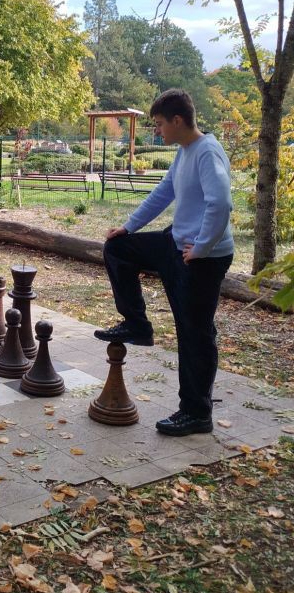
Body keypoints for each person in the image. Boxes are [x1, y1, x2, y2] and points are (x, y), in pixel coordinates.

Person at [94, 89, 234, 437]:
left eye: (158, 124)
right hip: (177, 245)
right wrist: (128, 227)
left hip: (202, 258)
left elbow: (221, 204)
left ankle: (196, 413)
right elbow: (163, 193)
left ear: (178, 120)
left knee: (195, 334)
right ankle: (136, 324)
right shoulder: (185, 152)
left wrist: (202, 247)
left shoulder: (207, 151)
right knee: (118, 248)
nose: (156, 131)